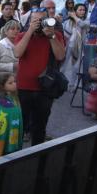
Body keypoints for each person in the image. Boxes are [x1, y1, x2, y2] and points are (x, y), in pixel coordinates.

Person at [13, 7, 66, 145]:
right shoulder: (22, 35)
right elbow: (17, 53)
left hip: (45, 88)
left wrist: (51, 36)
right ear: (30, 21)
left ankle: (36, 157)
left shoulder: (56, 35)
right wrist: (30, 31)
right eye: (35, 20)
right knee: (20, 126)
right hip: (24, 87)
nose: (38, 23)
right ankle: (14, 158)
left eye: (42, 20)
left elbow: (60, 56)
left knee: (39, 127)